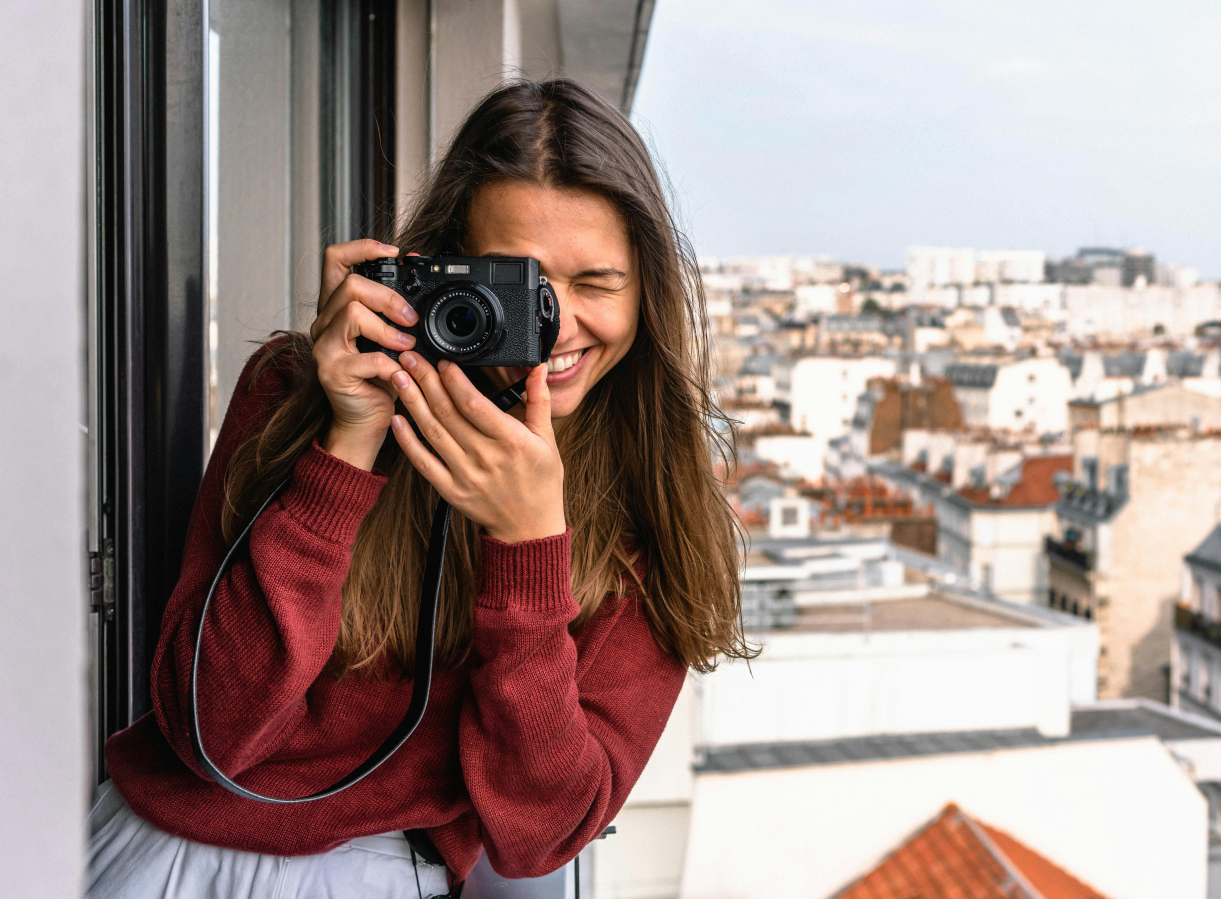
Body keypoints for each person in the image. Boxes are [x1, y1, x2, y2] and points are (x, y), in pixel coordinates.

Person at [86, 79, 751, 899]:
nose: (555, 323)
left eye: (596, 283)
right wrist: (346, 442)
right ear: (443, 265)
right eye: (518, 282)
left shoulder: (651, 512)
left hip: (379, 872)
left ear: (647, 289)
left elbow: (543, 833)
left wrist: (529, 552)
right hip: (157, 852)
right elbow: (211, 731)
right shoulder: (294, 389)